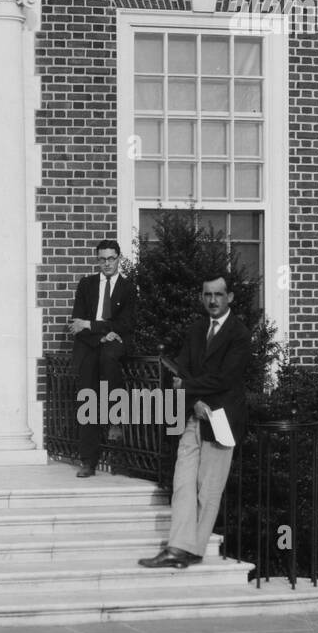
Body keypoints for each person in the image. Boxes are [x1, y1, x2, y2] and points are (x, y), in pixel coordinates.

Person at [139, 274, 249, 569]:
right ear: (202, 297)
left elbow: (225, 378)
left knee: (207, 490)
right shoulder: (196, 329)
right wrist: (193, 401)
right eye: (207, 295)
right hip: (195, 414)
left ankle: (190, 550)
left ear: (230, 298)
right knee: (182, 483)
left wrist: (187, 390)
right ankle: (178, 547)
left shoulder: (239, 334)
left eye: (219, 295)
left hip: (221, 420)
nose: (213, 300)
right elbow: (181, 370)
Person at [69, 238, 137, 477]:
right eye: (102, 259)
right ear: (97, 260)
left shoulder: (128, 288)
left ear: (119, 258)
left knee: (109, 359)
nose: (107, 263)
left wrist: (92, 324)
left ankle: (115, 419)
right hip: (91, 345)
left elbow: (125, 324)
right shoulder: (86, 284)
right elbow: (77, 325)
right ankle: (88, 461)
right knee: (87, 399)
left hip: (114, 345)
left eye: (111, 258)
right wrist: (100, 335)